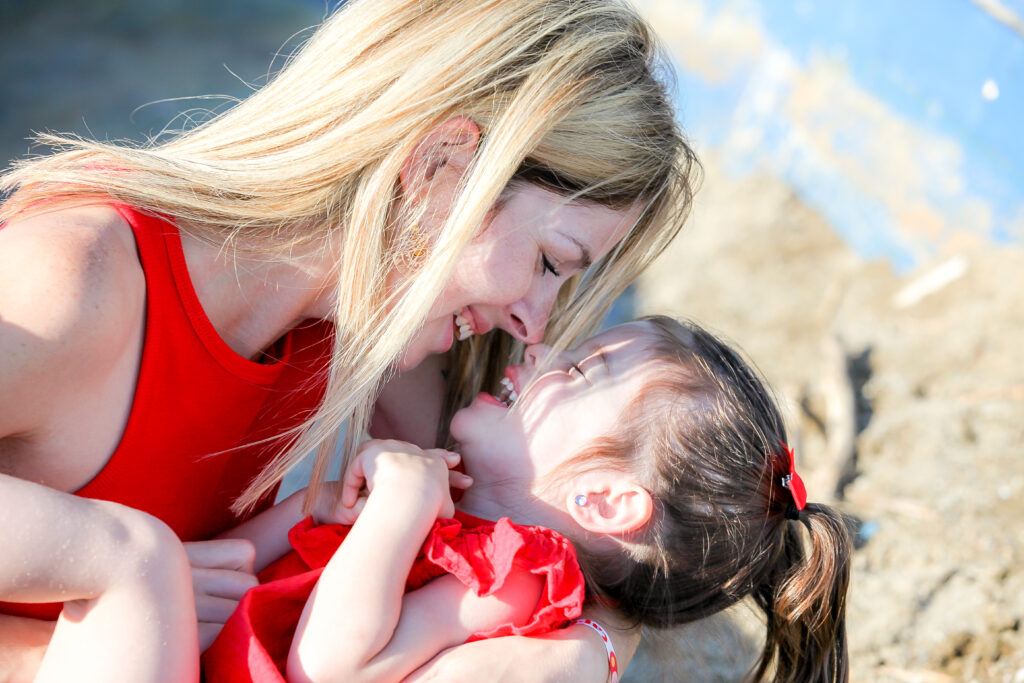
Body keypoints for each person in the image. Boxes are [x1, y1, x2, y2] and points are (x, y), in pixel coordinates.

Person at [0, 0, 700, 680]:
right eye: (552, 260)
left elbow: (580, 538)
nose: (535, 326)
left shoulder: (354, 343)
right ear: (442, 167)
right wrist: (107, 582)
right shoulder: (70, 283)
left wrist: (590, 650)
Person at [197, 317, 853, 683]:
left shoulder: (509, 581)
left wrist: (396, 505)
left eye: (572, 370)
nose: (537, 350)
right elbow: (229, 565)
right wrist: (333, 509)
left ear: (599, 499)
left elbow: (332, 666)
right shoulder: (450, 511)